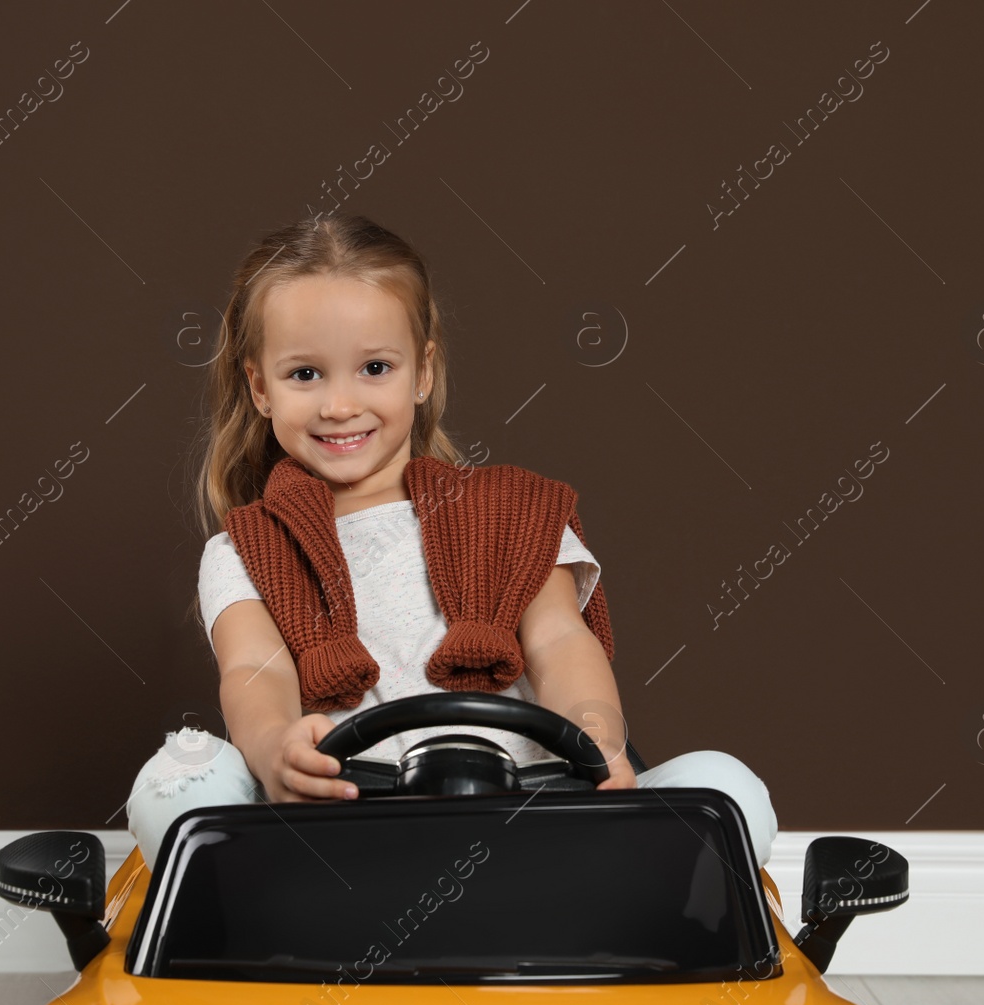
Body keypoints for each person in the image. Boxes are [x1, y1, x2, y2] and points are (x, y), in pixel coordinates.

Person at [127, 215, 777, 874]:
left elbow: (558, 640)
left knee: (729, 787)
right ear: (260, 387)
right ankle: (297, 925)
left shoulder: (512, 513)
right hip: (348, 835)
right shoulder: (245, 550)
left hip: (534, 820)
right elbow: (252, 674)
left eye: (374, 367)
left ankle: (599, 913)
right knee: (177, 777)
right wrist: (274, 749)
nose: (341, 404)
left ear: (422, 372)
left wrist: (596, 734)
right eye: (305, 375)